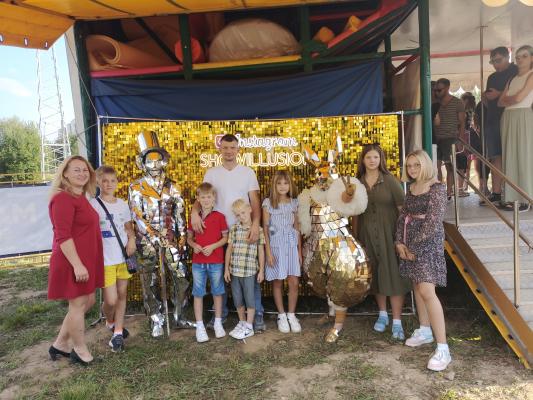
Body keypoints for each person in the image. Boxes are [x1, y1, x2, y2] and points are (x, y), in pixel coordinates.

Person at [190, 134, 265, 331]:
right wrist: (194, 213)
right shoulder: (212, 173)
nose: (229, 151)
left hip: (242, 232)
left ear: (238, 150)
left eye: (232, 148)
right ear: (220, 149)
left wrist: (255, 224)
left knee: (250, 275)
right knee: (219, 276)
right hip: (218, 234)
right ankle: (220, 316)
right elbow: (202, 196)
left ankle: (257, 314)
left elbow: (255, 202)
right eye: (225, 148)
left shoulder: (247, 172)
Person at [129, 131, 191, 337]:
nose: (154, 165)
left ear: (163, 161)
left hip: (170, 239)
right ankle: (156, 318)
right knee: (150, 280)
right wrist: (152, 234)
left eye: (157, 160)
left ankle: (179, 314)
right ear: (143, 163)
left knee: (181, 275)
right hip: (146, 242)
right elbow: (137, 215)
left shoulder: (173, 186)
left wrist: (182, 237)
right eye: (150, 161)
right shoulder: (136, 187)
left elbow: (180, 213)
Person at [395, 150, 451, 372]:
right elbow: (403, 217)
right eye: (409, 166)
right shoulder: (411, 188)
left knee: (427, 290)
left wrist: (414, 248)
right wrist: (399, 242)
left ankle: (443, 348)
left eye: (416, 165)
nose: (412, 169)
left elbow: (433, 223)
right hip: (410, 242)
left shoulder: (437, 188)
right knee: (417, 286)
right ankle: (425, 329)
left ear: (425, 165)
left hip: (428, 244)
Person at [47, 156, 103, 366]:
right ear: (65, 174)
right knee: (78, 304)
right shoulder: (62, 199)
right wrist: (77, 265)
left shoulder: (80, 197)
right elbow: (63, 236)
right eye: (76, 170)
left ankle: (60, 344)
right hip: (72, 260)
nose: (82, 173)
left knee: (88, 301)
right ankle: (79, 350)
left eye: (85, 170)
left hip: (85, 259)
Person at [353, 144, 410, 340]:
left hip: (389, 235)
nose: (372, 161)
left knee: (393, 276)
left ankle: (397, 321)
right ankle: (383, 314)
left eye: (375, 157)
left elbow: (403, 211)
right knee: (376, 275)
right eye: (368, 157)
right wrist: (356, 238)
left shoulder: (390, 180)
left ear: (381, 160)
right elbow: (355, 213)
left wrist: (401, 237)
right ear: (363, 160)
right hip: (367, 235)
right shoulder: (358, 184)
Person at [90, 166, 136, 352]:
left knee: (122, 294)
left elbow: (128, 227)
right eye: (105, 181)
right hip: (105, 260)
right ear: (98, 182)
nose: (109, 184)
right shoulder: (93, 205)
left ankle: (117, 332)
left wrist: (131, 240)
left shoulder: (123, 204)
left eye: (112, 181)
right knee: (111, 300)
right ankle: (109, 319)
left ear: (117, 182)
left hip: (123, 257)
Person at [187, 183, 228, 343]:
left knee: (217, 292)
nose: (206, 200)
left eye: (209, 197)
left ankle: (218, 322)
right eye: (202, 197)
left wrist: (213, 247)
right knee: (198, 293)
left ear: (214, 198)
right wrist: (194, 245)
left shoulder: (220, 217)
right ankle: (200, 326)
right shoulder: (194, 218)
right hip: (198, 262)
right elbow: (189, 238)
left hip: (216, 261)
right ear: (198, 198)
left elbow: (225, 238)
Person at [262, 170, 302, 333]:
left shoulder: (294, 203)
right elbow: (266, 229)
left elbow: (297, 228)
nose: (282, 186)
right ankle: (281, 315)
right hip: (276, 246)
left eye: (285, 183)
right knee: (277, 281)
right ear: (274, 185)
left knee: (293, 281)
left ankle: (291, 314)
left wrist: (299, 251)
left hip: (291, 246)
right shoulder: (268, 203)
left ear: (290, 185)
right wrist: (268, 252)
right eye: (279, 183)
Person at [480, 46, 518, 206]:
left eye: (498, 60)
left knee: (513, 156)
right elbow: (487, 101)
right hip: (493, 120)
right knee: (496, 156)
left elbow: (520, 94)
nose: (495, 64)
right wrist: (485, 97)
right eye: (493, 61)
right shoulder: (492, 77)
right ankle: (496, 193)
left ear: (508, 57)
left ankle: (514, 193)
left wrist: (499, 94)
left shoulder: (517, 72)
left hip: (511, 118)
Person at [498, 44, 533, 212]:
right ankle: (512, 197)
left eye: (524, 56)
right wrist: (510, 99)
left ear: (532, 58)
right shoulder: (512, 79)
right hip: (508, 117)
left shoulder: (531, 75)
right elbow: (500, 102)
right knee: (509, 156)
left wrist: (509, 99)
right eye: (518, 57)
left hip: (523, 116)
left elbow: (519, 98)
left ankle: (527, 198)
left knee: (524, 155)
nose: (520, 59)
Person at [224, 199, 265, 340]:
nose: (241, 216)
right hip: (235, 271)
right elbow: (229, 249)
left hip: (249, 271)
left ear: (250, 209)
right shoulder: (234, 229)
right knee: (238, 300)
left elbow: (261, 251)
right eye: (238, 214)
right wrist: (226, 269)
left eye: (243, 212)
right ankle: (242, 322)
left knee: (250, 299)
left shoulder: (258, 230)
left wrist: (261, 271)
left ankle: (249, 327)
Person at [433, 78, 466, 199]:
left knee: (449, 167)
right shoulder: (435, 103)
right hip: (436, 138)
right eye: (435, 90)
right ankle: (440, 192)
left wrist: (460, 140)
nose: (437, 92)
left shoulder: (457, 102)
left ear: (447, 88)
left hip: (450, 138)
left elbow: (462, 122)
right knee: (435, 167)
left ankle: (448, 192)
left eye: (439, 90)